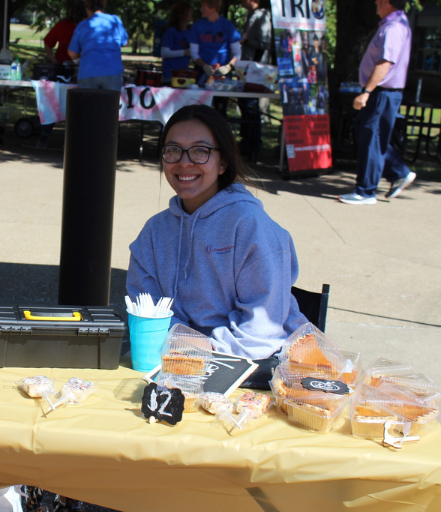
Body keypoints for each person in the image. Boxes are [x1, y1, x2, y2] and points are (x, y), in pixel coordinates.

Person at [126, 104, 307, 386]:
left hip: (255, 368)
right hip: (174, 362)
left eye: (200, 151)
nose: (184, 163)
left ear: (223, 163)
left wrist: (202, 350)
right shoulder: (154, 231)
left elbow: (261, 330)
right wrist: (181, 346)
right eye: (173, 150)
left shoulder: (250, 225)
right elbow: (146, 311)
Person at [339, 0, 415, 205]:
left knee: (370, 137)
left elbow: (385, 62)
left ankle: (366, 191)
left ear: (385, 2)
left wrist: (366, 92)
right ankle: (399, 172)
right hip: (385, 93)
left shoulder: (393, 27)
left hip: (381, 92)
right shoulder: (399, 24)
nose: (374, 2)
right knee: (371, 135)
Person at [37, 2, 86, 149]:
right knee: (52, 101)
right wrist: (52, 58)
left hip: (81, 71)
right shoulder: (63, 25)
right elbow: (48, 41)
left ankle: (72, 142)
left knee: (77, 107)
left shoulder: (86, 26)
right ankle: (44, 137)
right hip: (61, 70)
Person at [67, 0, 128, 90]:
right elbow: (125, 42)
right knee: (110, 104)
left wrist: (83, 52)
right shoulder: (115, 21)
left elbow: (72, 53)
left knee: (88, 104)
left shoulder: (82, 25)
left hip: (87, 72)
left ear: (87, 10)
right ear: (103, 8)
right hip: (113, 72)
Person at [237, 0, 272, 158]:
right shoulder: (251, 15)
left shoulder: (262, 16)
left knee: (251, 107)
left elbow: (265, 44)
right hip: (247, 69)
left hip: (256, 71)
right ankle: (247, 142)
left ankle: (253, 145)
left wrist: (247, 42)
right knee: (246, 105)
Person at [160, 2, 192, 85]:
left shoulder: (191, 32)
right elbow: (164, 52)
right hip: (170, 75)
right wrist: (184, 52)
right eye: (188, 12)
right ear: (181, 15)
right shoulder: (171, 31)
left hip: (184, 74)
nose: (191, 14)